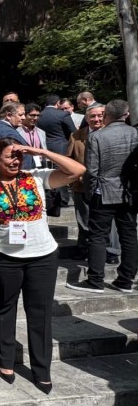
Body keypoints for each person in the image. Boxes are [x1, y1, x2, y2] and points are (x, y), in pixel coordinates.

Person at [0, 138, 84, 394]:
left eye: (19, 155)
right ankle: (6, 360)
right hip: (2, 255)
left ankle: (41, 369)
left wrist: (40, 151)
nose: (16, 161)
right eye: (10, 156)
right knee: (3, 309)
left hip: (42, 256)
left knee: (40, 313)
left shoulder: (36, 176)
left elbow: (77, 170)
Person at [67, 99, 138, 294]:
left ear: (106, 115)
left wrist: (90, 192)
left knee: (97, 236)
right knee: (129, 235)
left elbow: (92, 170)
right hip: (128, 192)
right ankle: (126, 280)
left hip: (104, 190)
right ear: (126, 114)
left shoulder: (98, 136)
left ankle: (95, 280)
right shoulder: (135, 134)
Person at [65, 102, 120, 263]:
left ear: (106, 116)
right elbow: (68, 159)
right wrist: (75, 177)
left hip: (108, 187)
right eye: (92, 116)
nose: (96, 119)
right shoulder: (76, 136)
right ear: (87, 118)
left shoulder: (113, 134)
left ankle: (110, 251)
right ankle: (84, 248)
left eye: (100, 115)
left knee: (109, 222)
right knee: (84, 220)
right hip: (82, 186)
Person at [0, 102, 33, 170]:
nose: (24, 118)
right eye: (20, 115)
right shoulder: (7, 133)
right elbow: (16, 158)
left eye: (24, 114)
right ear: (9, 115)